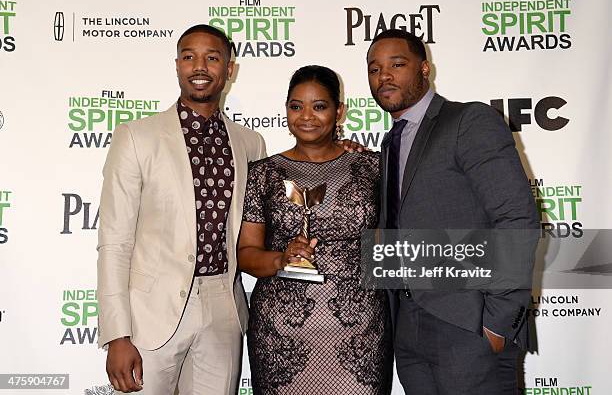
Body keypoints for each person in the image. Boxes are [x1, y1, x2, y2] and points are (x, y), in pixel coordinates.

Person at [96, 24, 266, 394]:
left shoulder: (249, 143)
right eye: (189, 57)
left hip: (224, 306)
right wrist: (117, 334)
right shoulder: (136, 136)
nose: (199, 66)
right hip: (149, 314)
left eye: (212, 57)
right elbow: (115, 241)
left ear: (230, 69)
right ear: (177, 65)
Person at [367, 29, 539, 394]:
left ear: (424, 68)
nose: (384, 76)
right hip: (408, 328)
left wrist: (496, 323)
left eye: (397, 64)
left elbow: (517, 219)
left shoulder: (468, 121)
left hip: (468, 326)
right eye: (374, 68)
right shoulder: (390, 142)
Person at [238, 65, 393, 394]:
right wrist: (281, 259)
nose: (306, 116)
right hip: (282, 332)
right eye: (296, 106)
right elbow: (246, 255)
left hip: (360, 331)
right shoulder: (263, 174)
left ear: (339, 111)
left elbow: (396, 242)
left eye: (319, 106)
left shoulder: (374, 167)